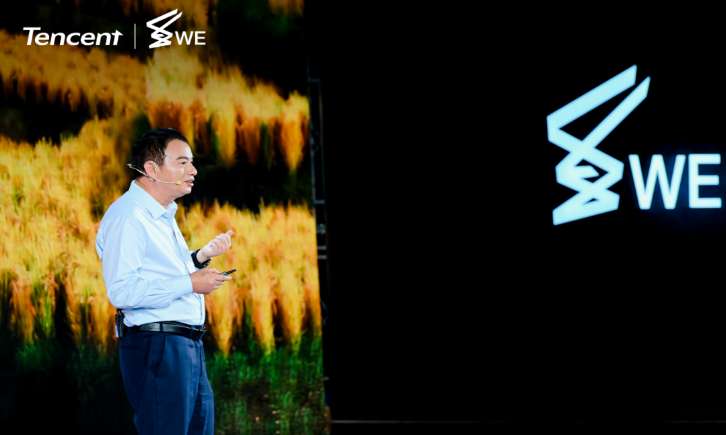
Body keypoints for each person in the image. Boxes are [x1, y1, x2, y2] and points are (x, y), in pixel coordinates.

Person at [95, 128, 234, 435]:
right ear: (152, 169)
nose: (193, 170)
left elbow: (160, 272)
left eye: (192, 162)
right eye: (182, 162)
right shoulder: (129, 217)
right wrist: (190, 283)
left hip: (184, 345)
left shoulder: (160, 215)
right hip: (159, 346)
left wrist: (200, 257)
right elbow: (123, 291)